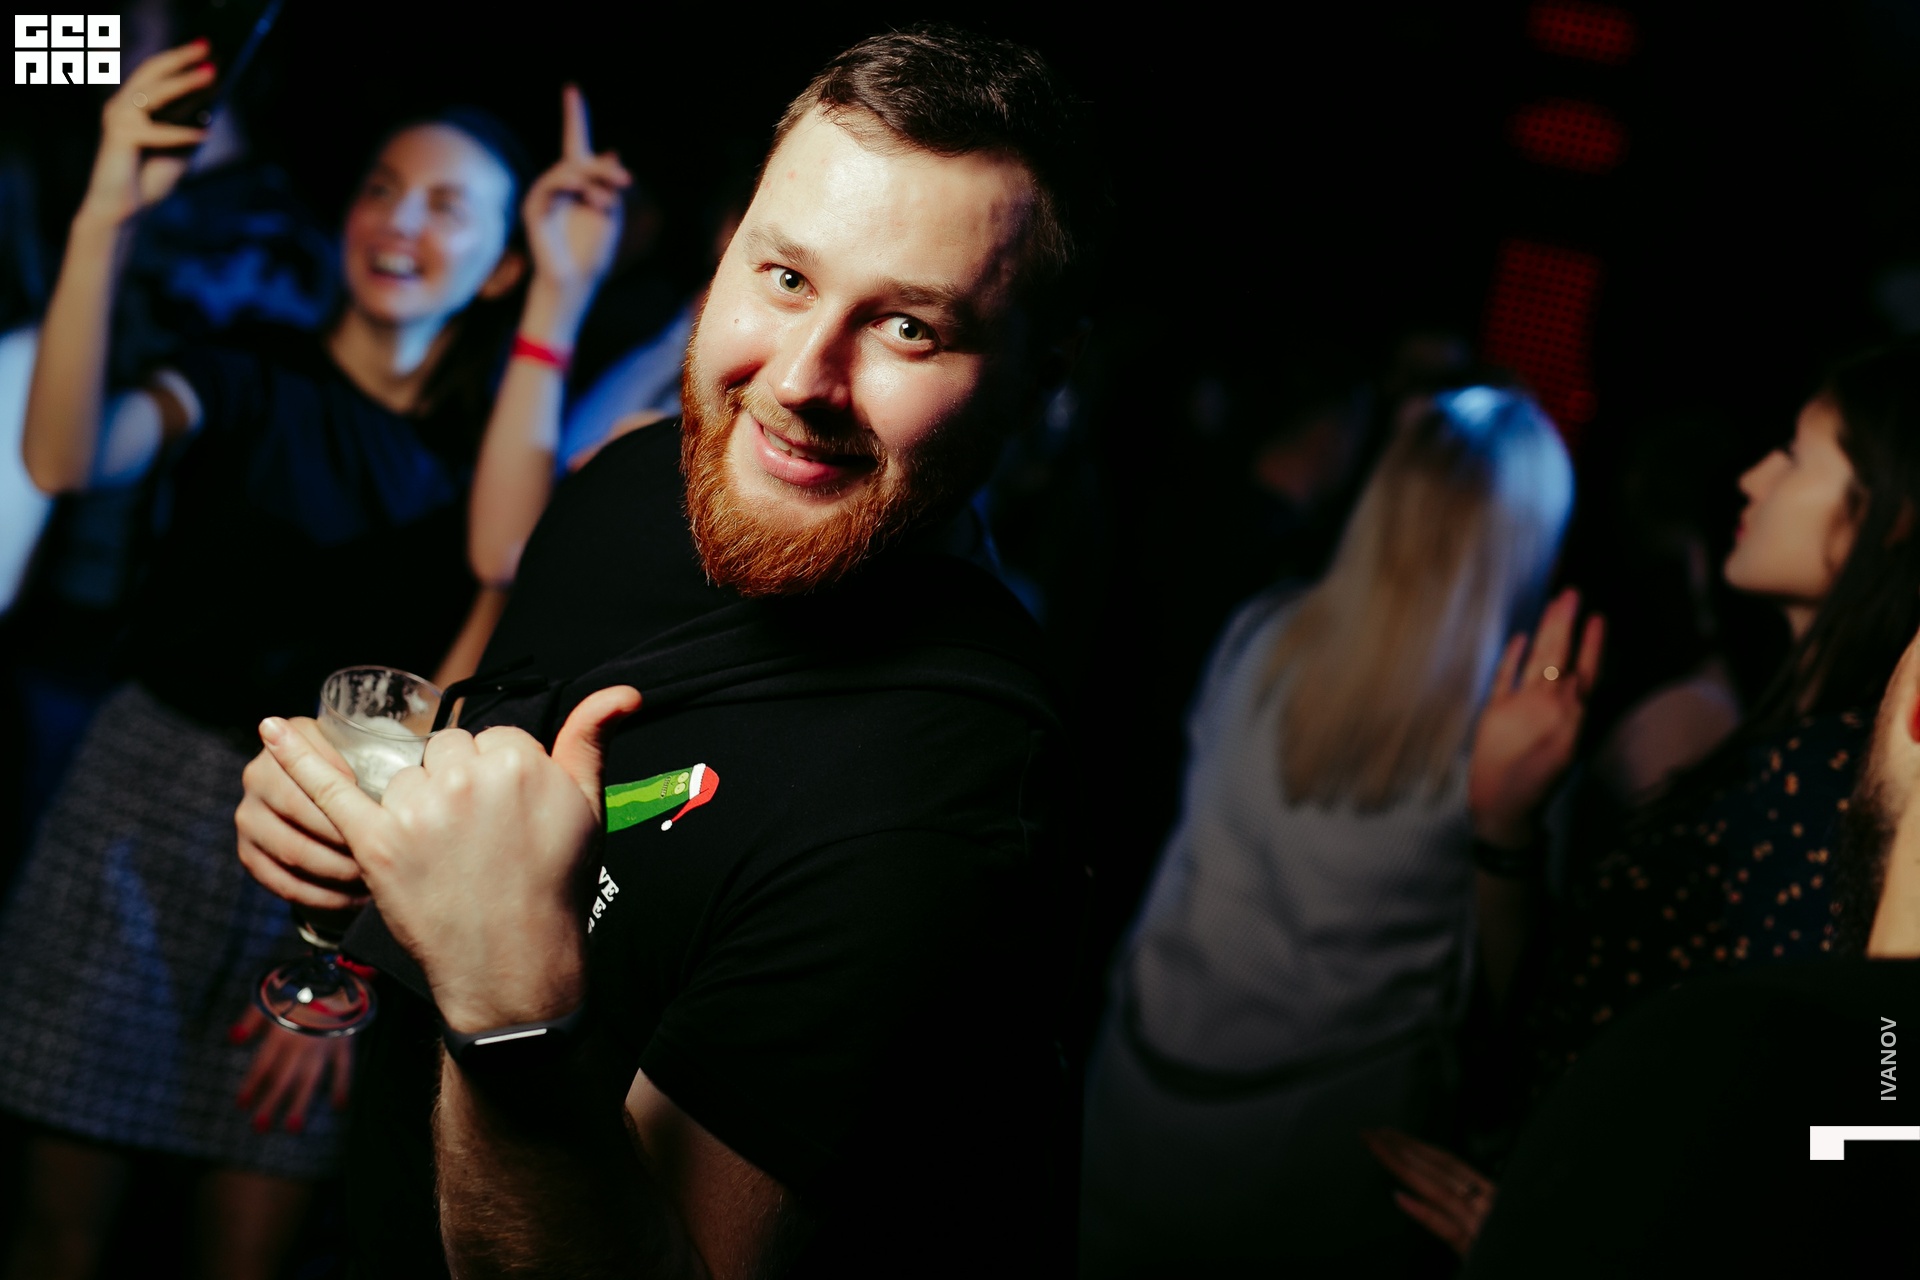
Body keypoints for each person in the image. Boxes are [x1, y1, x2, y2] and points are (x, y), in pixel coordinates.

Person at [235, 24, 1095, 1279]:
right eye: (786, 276)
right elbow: (491, 808)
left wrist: (512, 1010)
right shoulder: (635, 484)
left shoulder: (946, 804)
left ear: (1033, 383)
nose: (799, 379)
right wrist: (362, 851)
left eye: (911, 327)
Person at [0, 41, 627, 1280]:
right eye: (383, 188)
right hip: (140, 804)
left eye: (446, 205)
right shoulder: (245, 369)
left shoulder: (489, 449)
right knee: (56, 1233)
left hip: (339, 844)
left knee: (254, 1244)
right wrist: (107, 210)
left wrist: (561, 296)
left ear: (503, 261)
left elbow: (501, 562)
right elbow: (66, 457)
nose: (400, 221)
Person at [1375, 338, 1920, 1260]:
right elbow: (1566, 1003)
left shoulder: (1833, 782)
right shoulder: (1767, 739)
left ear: (1888, 515)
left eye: (1796, 455)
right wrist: (1507, 822)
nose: (1753, 478)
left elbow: (1874, 1125)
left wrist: (1596, 1230)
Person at [1076, 385, 1576, 1277]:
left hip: (1139, 1095)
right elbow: (1517, 996)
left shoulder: (1260, 633)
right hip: (1314, 1161)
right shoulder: (1508, 746)